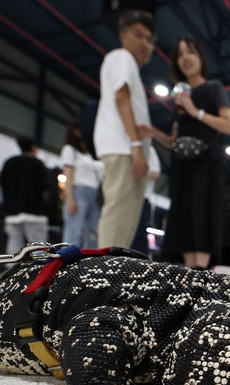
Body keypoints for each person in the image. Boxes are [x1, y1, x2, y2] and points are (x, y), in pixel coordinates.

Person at [139, 35, 230, 268]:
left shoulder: (213, 88)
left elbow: (229, 125)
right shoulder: (181, 100)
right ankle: (193, 278)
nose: (185, 59)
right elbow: (175, 141)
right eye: (180, 55)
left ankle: (200, 278)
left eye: (189, 52)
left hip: (207, 164)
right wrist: (153, 133)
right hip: (183, 167)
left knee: (201, 221)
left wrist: (195, 111)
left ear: (200, 56)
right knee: (185, 224)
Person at [94, 10, 154, 248]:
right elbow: (121, 97)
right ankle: (101, 279)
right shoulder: (122, 57)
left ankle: (107, 277)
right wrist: (136, 145)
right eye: (139, 35)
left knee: (123, 223)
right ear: (123, 35)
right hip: (124, 149)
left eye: (149, 40)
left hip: (124, 148)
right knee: (118, 221)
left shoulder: (126, 64)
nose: (145, 44)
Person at [0, 135, 50, 254]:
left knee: (14, 243)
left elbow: (1, 182)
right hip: (34, 212)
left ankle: (12, 270)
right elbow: (45, 186)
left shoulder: (9, 162)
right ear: (33, 147)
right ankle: (39, 271)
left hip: (12, 213)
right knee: (38, 245)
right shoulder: (37, 163)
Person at [61, 120, 104, 249]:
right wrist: (70, 198)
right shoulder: (70, 149)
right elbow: (68, 173)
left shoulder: (92, 154)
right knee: (73, 232)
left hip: (96, 195)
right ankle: (67, 265)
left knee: (93, 234)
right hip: (78, 192)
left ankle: (90, 265)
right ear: (75, 131)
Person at [130, 145, 161, 255]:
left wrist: (133, 174)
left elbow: (155, 172)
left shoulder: (149, 149)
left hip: (142, 198)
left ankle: (140, 262)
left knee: (139, 234)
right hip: (126, 197)